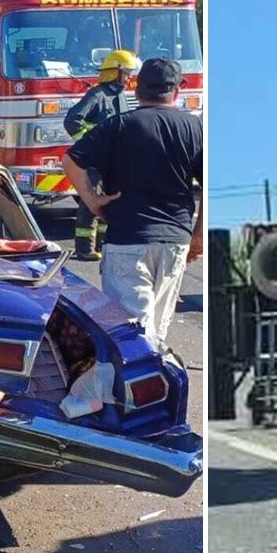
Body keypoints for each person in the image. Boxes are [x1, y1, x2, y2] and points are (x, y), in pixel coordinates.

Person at [61, 57, 203, 351]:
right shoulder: (195, 128)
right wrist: (198, 236)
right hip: (174, 241)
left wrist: (94, 202)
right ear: (177, 89)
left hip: (127, 240)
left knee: (128, 335)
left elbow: (71, 161)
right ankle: (155, 376)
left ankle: (131, 379)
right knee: (155, 334)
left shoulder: (119, 125)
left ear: (137, 89)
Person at [63, 49, 141, 261]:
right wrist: (90, 144)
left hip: (113, 163)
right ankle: (84, 249)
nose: (129, 78)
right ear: (115, 72)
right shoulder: (97, 95)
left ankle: (104, 244)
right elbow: (72, 121)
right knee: (91, 204)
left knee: (110, 203)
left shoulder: (120, 97)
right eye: (126, 74)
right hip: (95, 163)